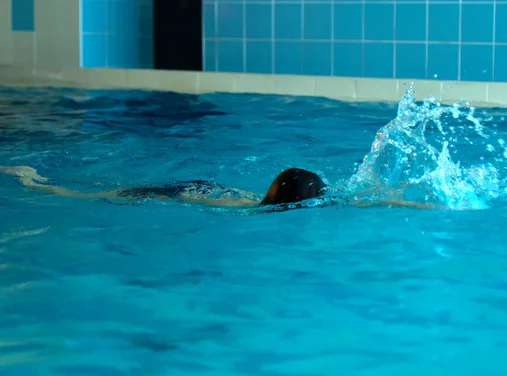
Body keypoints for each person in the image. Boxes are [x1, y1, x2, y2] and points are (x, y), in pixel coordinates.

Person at [0, 165, 444, 213]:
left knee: (95, 194)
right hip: (190, 188)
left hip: (191, 188)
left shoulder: (253, 207)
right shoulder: (325, 201)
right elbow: (369, 200)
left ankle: (33, 180)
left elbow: (365, 199)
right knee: (96, 195)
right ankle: (31, 179)